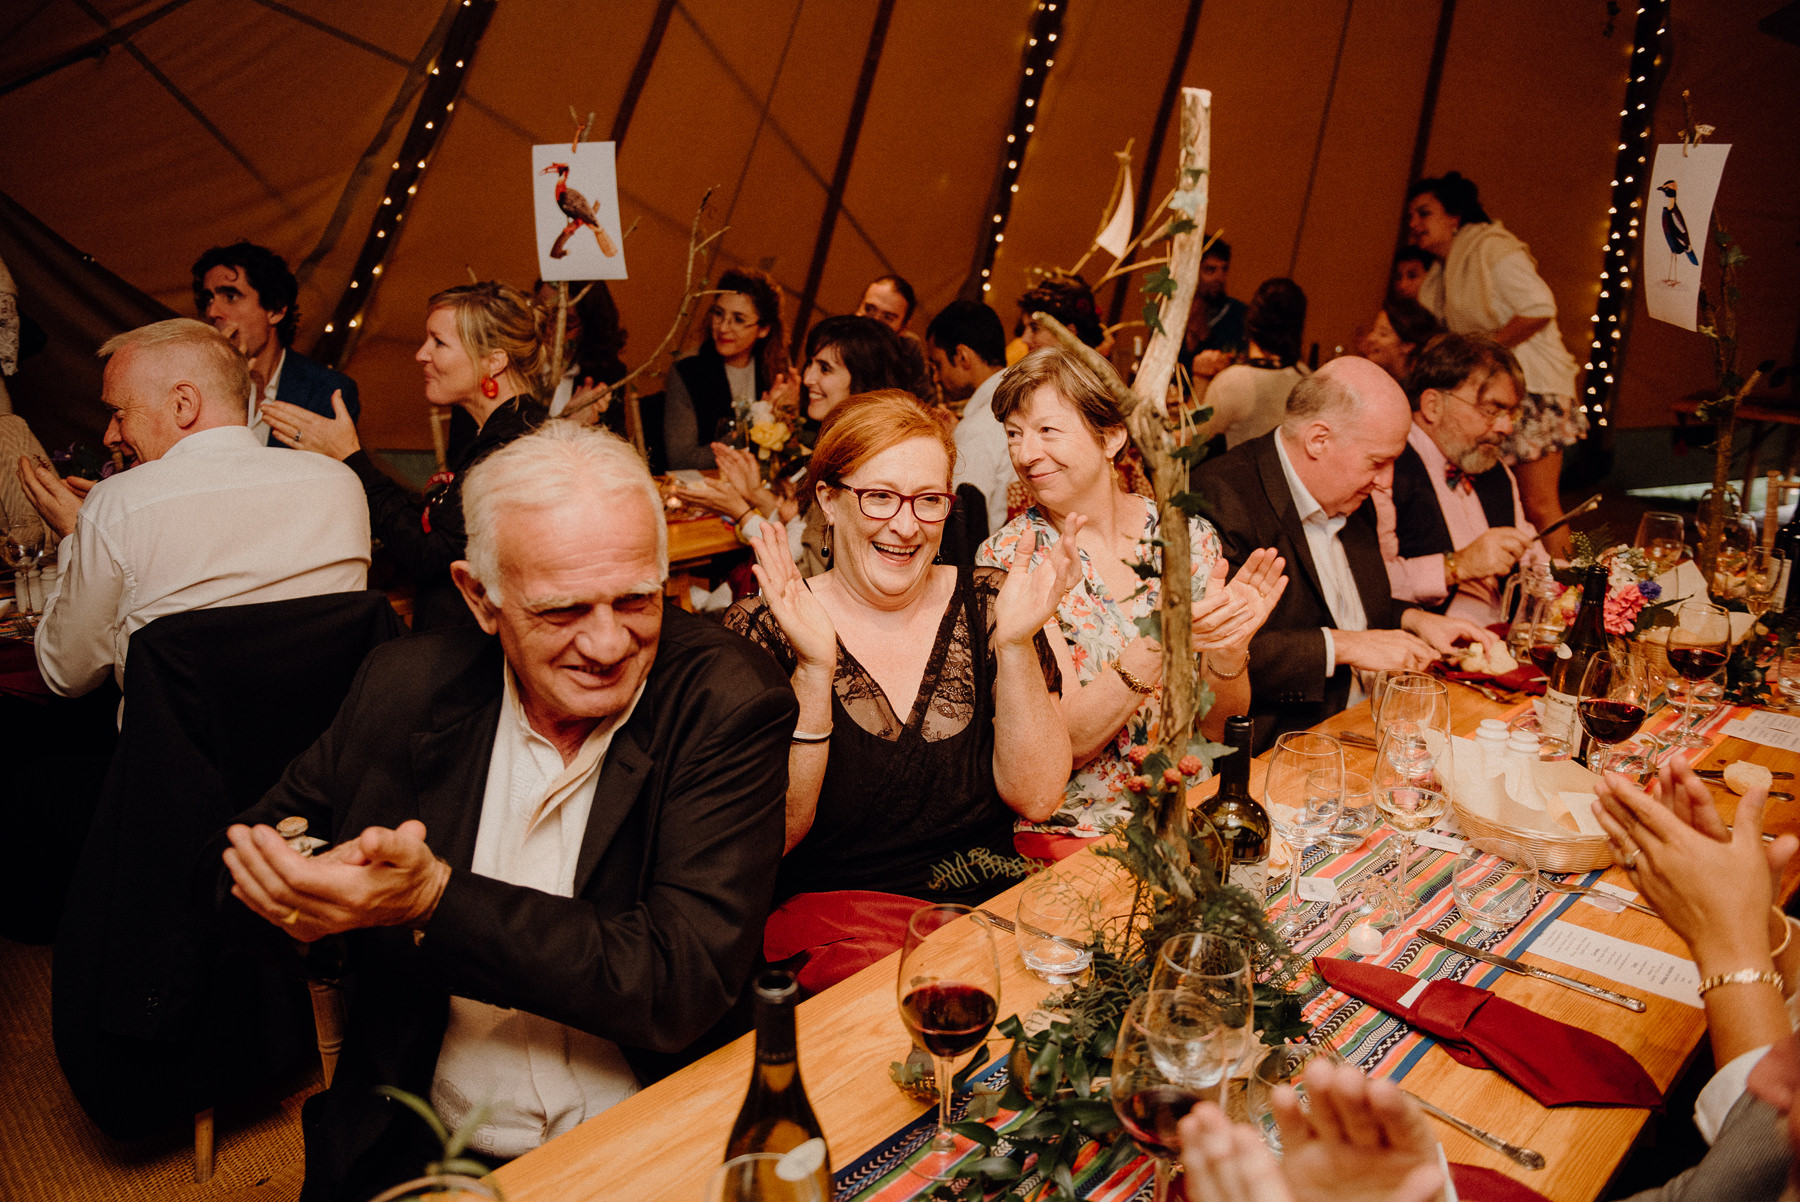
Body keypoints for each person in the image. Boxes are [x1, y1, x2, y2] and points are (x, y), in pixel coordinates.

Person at [217, 422, 796, 1200]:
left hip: (652, 1130)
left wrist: (433, 901)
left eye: (635, 599)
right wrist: (304, 905)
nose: (606, 644)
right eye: (561, 610)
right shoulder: (401, 686)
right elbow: (245, 865)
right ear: (478, 598)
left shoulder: (725, 699)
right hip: (421, 1132)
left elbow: (677, 978)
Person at [723, 390, 1079, 905]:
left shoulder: (993, 601)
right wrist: (815, 671)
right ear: (829, 500)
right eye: (880, 496)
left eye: (929, 500)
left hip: (987, 917)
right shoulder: (765, 629)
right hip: (838, 938)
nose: (907, 526)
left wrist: (1018, 643)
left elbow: (1039, 797)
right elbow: (770, 838)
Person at [978, 348, 1286, 839]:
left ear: (1112, 437)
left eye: (1047, 431)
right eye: (1014, 434)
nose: (1025, 454)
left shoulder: (1187, 538)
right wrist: (1156, 644)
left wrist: (1229, 649)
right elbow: (1066, 745)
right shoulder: (1010, 562)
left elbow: (1215, 728)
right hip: (1083, 832)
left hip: (1193, 811)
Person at [16, 319, 368, 697]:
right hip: (326, 746)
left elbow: (66, 674)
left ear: (183, 404)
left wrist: (75, 536)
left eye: (119, 413)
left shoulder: (118, 503)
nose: (110, 436)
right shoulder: (341, 483)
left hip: (180, 753)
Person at [1189, 357, 1496, 749]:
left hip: (1369, 722)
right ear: (1319, 440)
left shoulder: (1349, 489)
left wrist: (1415, 619)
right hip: (1286, 745)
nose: (1386, 482)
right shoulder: (1220, 499)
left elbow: (1345, 601)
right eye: (1378, 462)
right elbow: (1215, 656)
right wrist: (1348, 645)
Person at [261, 281, 548, 631]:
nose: (421, 354)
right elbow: (450, 525)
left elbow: (431, 553)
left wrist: (350, 458)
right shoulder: (490, 428)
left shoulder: (511, 445)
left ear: (494, 361)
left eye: (439, 342)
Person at [1406, 172, 1585, 554]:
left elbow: (1539, 308)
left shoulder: (1493, 249)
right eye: (1412, 217)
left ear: (1455, 218)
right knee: (1504, 498)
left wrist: (1486, 352)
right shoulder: (1443, 271)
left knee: (1539, 504)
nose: (1415, 225)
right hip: (1492, 394)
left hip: (1532, 390)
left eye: (1424, 213)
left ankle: (1568, 587)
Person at [680, 314, 916, 576]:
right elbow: (804, 533)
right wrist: (754, 493)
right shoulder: (843, 445)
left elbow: (802, 570)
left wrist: (741, 511)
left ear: (864, 380)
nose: (807, 378)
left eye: (824, 369)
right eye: (811, 364)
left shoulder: (858, 464)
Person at [1374, 333, 1539, 625]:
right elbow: (1364, 582)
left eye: (1510, 414)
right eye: (1491, 410)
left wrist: (1579, 577)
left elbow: (1531, 556)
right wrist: (1457, 566)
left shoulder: (1496, 471)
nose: (1505, 427)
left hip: (1500, 638)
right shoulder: (1384, 465)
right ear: (1433, 405)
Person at [191, 242, 361, 443]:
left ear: (275, 310)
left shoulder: (326, 391)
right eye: (208, 300)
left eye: (230, 297)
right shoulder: (195, 385)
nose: (212, 312)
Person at [662, 267, 790, 470]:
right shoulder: (688, 370)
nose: (723, 327)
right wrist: (756, 423)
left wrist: (787, 413)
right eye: (719, 314)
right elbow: (682, 460)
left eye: (738, 319)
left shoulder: (775, 371)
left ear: (763, 329)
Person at [925, 300, 1013, 536]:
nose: (936, 378)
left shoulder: (980, 426)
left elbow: (959, 529)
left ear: (962, 356)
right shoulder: (1019, 403)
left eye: (938, 364)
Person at [1201, 278, 1310, 449]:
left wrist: (1199, 376)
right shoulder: (1305, 378)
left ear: (1251, 319)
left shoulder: (1234, 382)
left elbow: (1192, 440)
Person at [1179, 238, 1249, 384]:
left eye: (1224, 269)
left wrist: (1205, 335)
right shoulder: (1170, 312)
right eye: (1210, 270)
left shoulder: (1240, 316)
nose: (1220, 278)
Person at [1356, 295, 1440, 383]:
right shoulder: (1374, 381)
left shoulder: (1418, 391)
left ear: (1407, 346)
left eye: (1383, 334)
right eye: (1373, 330)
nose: (1371, 338)